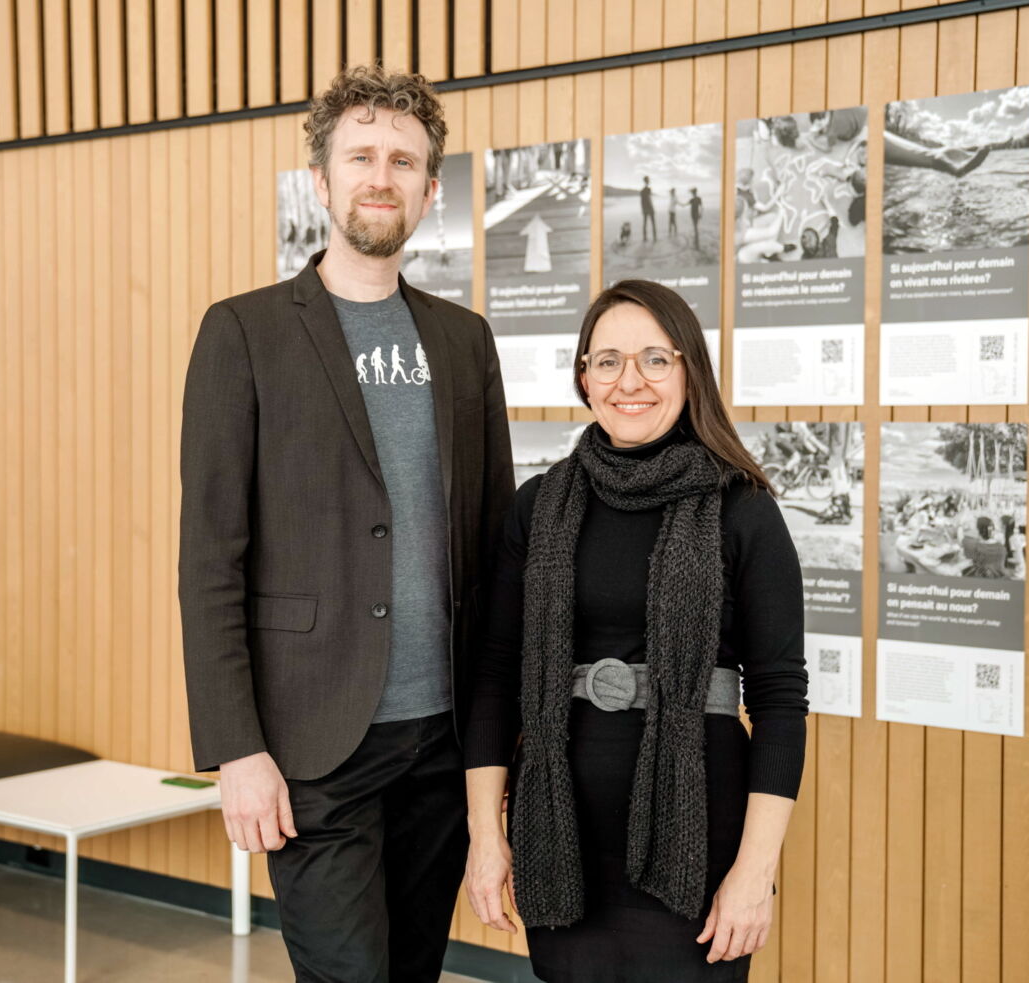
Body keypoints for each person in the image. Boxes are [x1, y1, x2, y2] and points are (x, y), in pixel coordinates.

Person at [178, 64, 515, 982]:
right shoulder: (242, 333)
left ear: (429, 190)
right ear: (320, 183)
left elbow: (489, 551)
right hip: (311, 745)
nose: (381, 175)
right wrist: (235, 748)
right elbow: (209, 558)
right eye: (360, 156)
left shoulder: (461, 339)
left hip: (439, 742)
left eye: (402, 161)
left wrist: (495, 743)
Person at [462, 279, 808, 980]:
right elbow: (496, 674)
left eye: (656, 359)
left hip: (698, 830)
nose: (630, 381)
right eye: (608, 360)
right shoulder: (539, 505)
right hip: (559, 830)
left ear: (689, 373)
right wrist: (484, 834)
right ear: (583, 375)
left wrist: (753, 870)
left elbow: (778, 699)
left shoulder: (742, 510)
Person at [640, 175, 657, 241]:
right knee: (653, 223)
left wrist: (642, 209)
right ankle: (654, 237)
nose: (649, 181)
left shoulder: (642, 190)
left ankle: (644, 238)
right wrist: (652, 208)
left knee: (645, 223)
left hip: (644, 209)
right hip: (649, 208)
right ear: (647, 181)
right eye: (648, 180)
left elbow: (641, 201)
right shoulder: (648, 189)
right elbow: (649, 199)